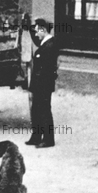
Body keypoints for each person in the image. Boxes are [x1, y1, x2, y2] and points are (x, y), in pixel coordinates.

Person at [25, 18, 59, 148]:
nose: (36, 34)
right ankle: (36, 136)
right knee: (36, 110)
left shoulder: (49, 45)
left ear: (43, 30)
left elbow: (46, 69)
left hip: (43, 84)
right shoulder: (46, 43)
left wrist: (37, 85)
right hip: (39, 84)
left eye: (37, 31)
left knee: (44, 110)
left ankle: (48, 140)